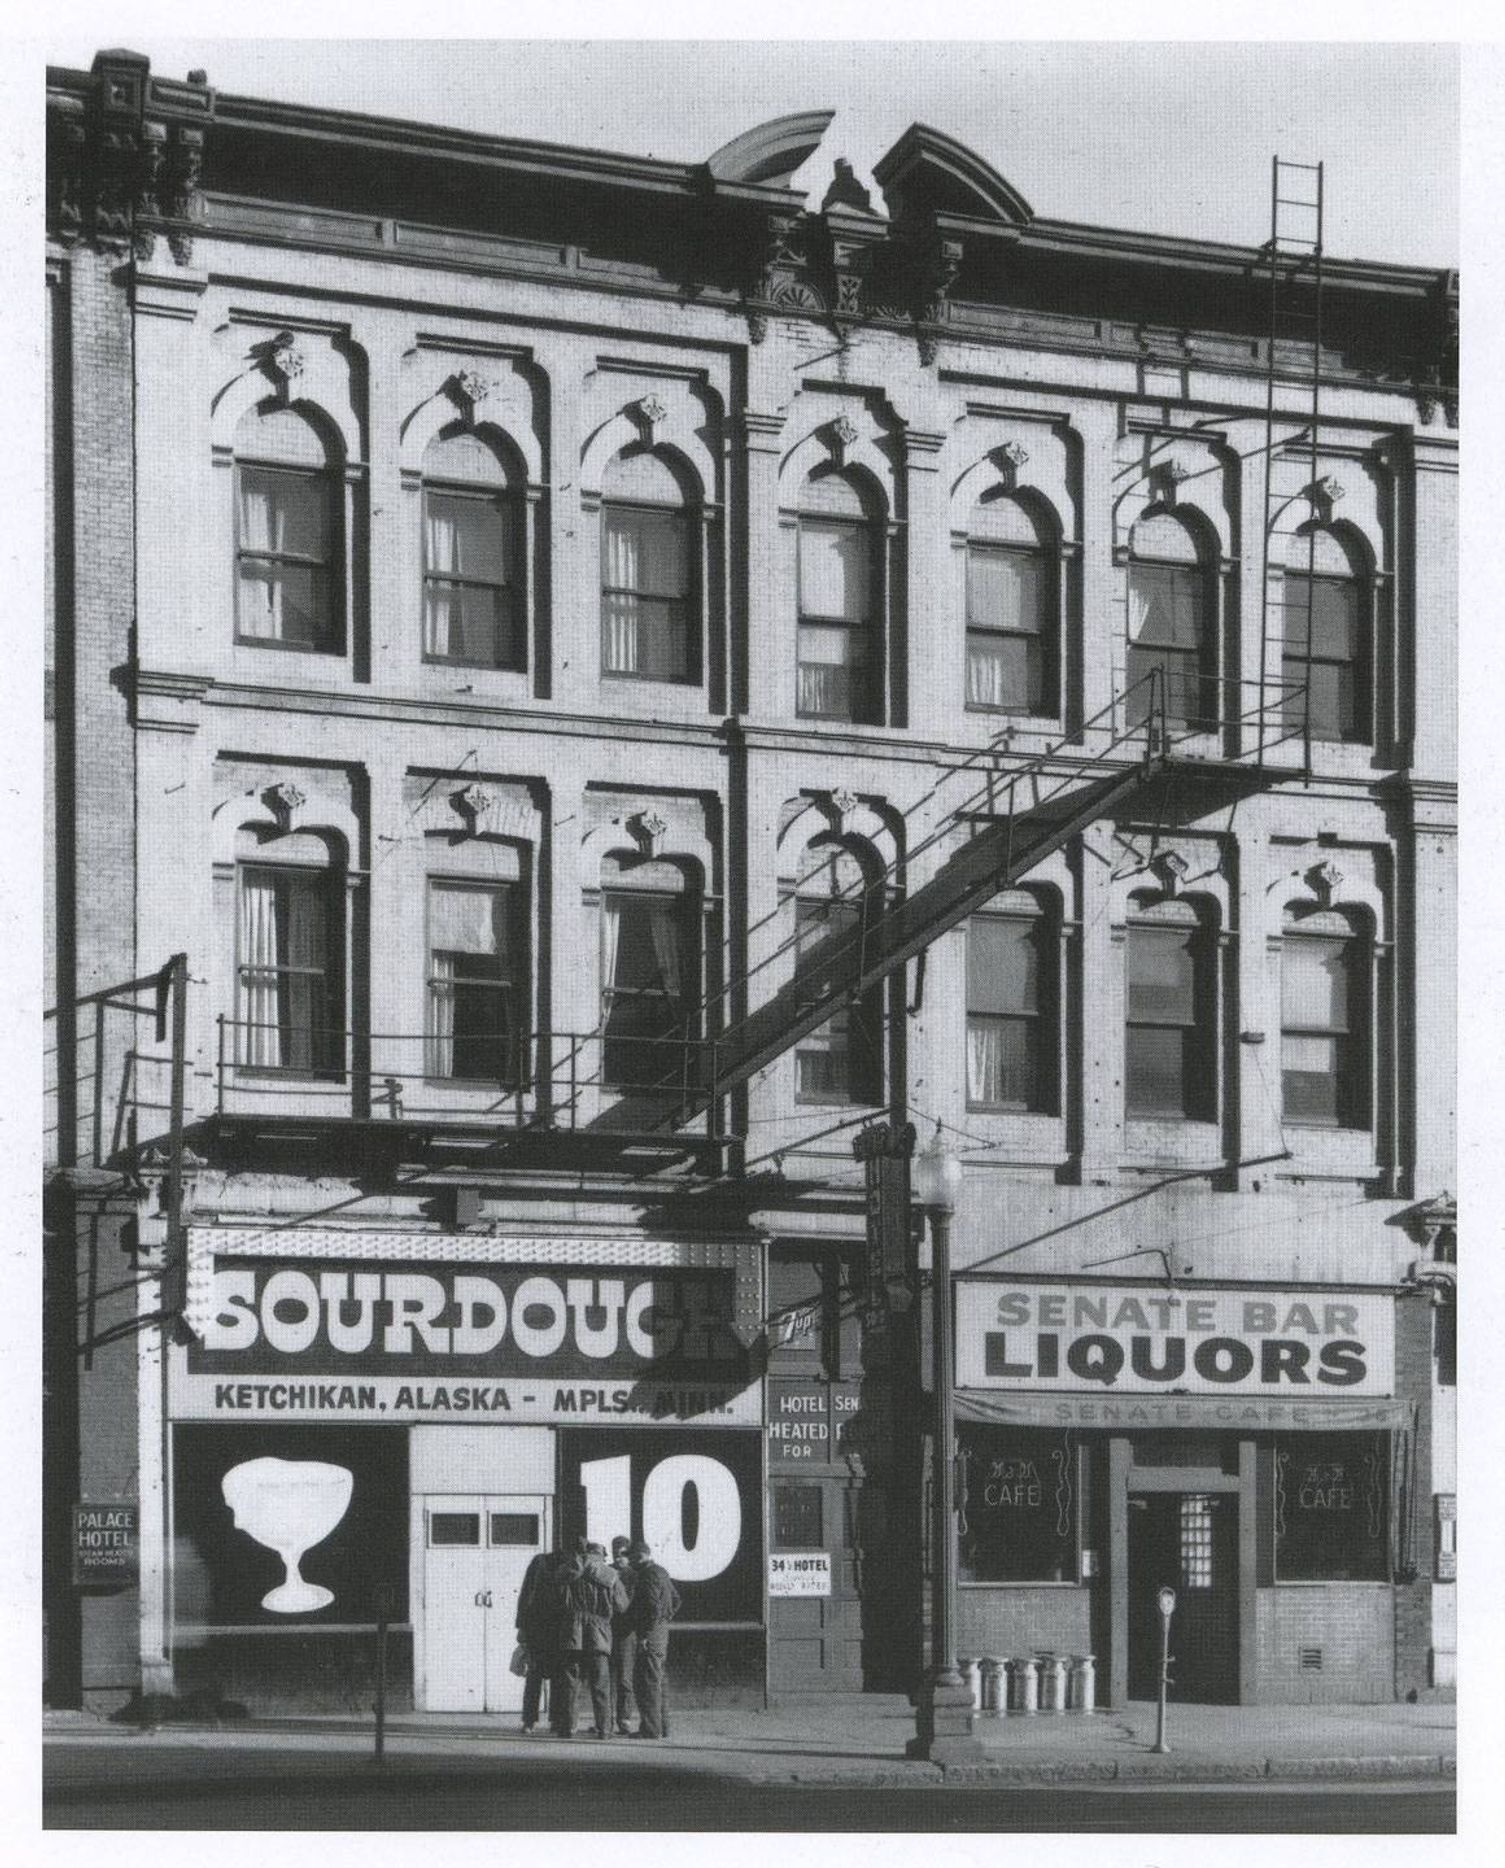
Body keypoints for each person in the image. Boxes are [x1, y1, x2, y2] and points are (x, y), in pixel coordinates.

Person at [560, 1538, 628, 1738]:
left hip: (571, 1633)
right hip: (599, 1634)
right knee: (600, 1685)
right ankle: (604, 1729)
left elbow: (557, 1600)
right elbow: (621, 1606)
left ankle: (568, 1727)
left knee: (571, 1682)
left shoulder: (569, 1572)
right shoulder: (611, 1576)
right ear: (601, 1556)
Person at [628, 1539, 680, 1739]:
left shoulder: (646, 1575)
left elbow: (651, 1608)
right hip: (661, 1632)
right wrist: (663, 1621)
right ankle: (663, 1727)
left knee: (646, 1683)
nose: (630, 1562)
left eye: (632, 1558)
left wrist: (644, 1634)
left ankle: (650, 1729)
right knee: (659, 1681)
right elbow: (676, 1600)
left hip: (649, 1634)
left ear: (639, 1556)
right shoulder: (662, 1572)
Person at [515, 1542, 566, 1734]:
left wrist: (521, 1626)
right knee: (558, 1677)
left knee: (534, 1676)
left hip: (537, 1626)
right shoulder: (570, 1565)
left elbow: (525, 1594)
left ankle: (529, 1721)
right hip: (558, 1629)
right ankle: (555, 1720)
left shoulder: (539, 1562)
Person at [609, 1535, 638, 1735]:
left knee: (625, 1679)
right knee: (606, 1678)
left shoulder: (634, 1575)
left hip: (626, 1632)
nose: (618, 1558)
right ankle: (607, 1719)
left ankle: (624, 1718)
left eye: (622, 1554)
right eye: (615, 1554)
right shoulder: (607, 1572)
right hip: (607, 1630)